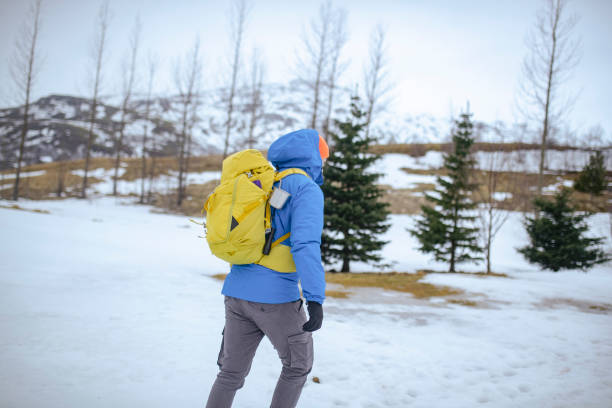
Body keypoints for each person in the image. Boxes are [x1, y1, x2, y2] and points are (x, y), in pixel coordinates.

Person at [206, 129, 328, 408]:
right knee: (298, 366)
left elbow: (267, 231)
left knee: (229, 373)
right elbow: (304, 245)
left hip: (236, 294)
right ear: (312, 157)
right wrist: (315, 298)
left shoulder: (271, 185)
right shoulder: (305, 188)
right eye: (322, 155)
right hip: (274, 297)